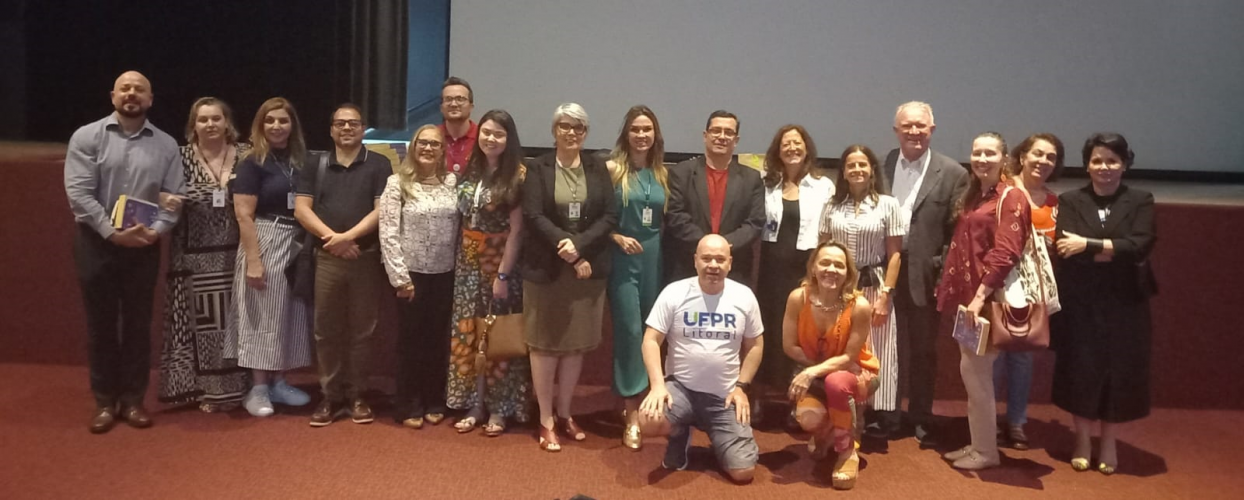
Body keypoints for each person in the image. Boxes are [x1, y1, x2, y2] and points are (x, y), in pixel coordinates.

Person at [65, 70, 185, 433]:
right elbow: (79, 193)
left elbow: (174, 198)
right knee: (101, 325)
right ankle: (104, 401)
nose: (131, 94)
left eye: (140, 89)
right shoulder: (87, 136)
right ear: (113, 96)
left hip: (144, 246)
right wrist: (112, 233)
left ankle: (133, 401)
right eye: (125, 88)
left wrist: (156, 232)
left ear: (150, 100)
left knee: (137, 325)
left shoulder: (166, 145)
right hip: (96, 243)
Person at [1052, 133, 1156, 475]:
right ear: (1087, 165)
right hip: (1081, 303)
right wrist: (1111, 249)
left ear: (1125, 163)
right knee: (1081, 369)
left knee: (1118, 371)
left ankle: (1109, 441)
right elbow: (1066, 249)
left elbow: (1140, 245)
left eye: (1112, 160)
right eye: (1097, 160)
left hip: (1126, 303)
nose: (1105, 167)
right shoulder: (1070, 200)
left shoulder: (1141, 199)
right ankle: (1082, 439)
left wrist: (1090, 245)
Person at [523, 103, 618, 451]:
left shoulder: (597, 167)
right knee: (545, 345)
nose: (571, 133)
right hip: (547, 269)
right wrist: (567, 249)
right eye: (565, 126)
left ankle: (565, 413)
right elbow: (533, 214)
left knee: (576, 345)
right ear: (554, 131)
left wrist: (578, 247)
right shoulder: (538, 168)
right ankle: (545, 418)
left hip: (586, 269)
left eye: (578, 127)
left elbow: (609, 215)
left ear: (586, 133)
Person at [936, 132, 1031, 470]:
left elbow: (1006, 253)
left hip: (986, 301)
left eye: (990, 153)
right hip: (966, 300)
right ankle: (979, 444)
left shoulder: (1012, 197)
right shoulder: (975, 194)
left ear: (1004, 158)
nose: (982, 158)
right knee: (971, 374)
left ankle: (987, 453)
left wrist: (978, 299)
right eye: (977, 152)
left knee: (978, 377)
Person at [294, 104, 392, 427]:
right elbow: (301, 209)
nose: (347, 128)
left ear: (363, 128)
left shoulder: (379, 164)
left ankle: (357, 395)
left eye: (353, 123)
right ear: (332, 129)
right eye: (340, 123)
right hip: (327, 257)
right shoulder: (314, 163)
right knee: (326, 330)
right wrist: (333, 239)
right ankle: (330, 396)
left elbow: (382, 211)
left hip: (364, 257)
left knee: (363, 330)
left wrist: (347, 238)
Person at [638, 234, 764, 485]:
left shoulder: (744, 296)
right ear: (695, 261)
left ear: (730, 262)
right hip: (681, 389)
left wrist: (742, 387)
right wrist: (658, 386)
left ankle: (721, 441)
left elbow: (755, 346)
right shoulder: (674, 292)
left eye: (720, 259)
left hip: (724, 396)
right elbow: (651, 340)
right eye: (706, 258)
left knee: (743, 472)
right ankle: (679, 433)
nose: (713, 265)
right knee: (648, 421)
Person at [880, 101, 969, 445]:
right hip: (882, 270)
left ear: (932, 129)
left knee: (922, 351)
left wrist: (941, 270)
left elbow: (955, 232)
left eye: (921, 126)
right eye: (907, 126)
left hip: (923, 276)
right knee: (884, 348)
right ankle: (885, 414)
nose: (914, 132)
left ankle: (919, 416)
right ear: (896, 131)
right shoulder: (881, 164)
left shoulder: (953, 173)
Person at [158, 97, 251, 412]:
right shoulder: (179, 157)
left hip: (239, 255)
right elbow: (153, 190)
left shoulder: (247, 154)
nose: (210, 125)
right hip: (192, 259)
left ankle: (244, 389)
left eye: (216, 118)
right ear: (192, 126)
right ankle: (204, 391)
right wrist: (165, 199)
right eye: (203, 120)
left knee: (238, 324)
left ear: (227, 123)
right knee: (201, 328)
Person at [445, 109, 533, 436]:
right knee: (471, 335)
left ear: (509, 139)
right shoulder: (472, 171)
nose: (490, 139)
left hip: (500, 262)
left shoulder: (519, 176)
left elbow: (517, 232)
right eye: (485, 132)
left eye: (498, 134)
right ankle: (475, 403)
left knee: (499, 337)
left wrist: (503, 275)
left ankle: (501, 408)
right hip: (467, 265)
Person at [226, 97, 315, 418]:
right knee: (262, 314)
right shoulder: (252, 162)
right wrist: (253, 260)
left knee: (289, 313)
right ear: (260, 126)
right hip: (264, 238)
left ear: (293, 126)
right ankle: (259, 387)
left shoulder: (300, 160)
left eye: (283, 121)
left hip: (295, 241)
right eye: (270, 121)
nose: (277, 126)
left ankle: (280, 382)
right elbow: (243, 215)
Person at [819, 145, 905, 438]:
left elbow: (894, 255)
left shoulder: (888, 205)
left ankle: (864, 420)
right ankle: (839, 417)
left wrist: (886, 295)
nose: (857, 170)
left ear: (872, 171)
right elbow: (822, 250)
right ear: (843, 171)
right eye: (851, 165)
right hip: (837, 289)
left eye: (862, 165)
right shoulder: (831, 206)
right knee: (840, 349)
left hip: (873, 287)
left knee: (873, 351)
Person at [379, 125, 459, 429]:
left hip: (446, 275)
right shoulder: (397, 184)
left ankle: (434, 399)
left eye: (435, 144)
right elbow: (388, 233)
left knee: (437, 341)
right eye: (423, 143)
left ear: (443, 150)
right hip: (411, 275)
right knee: (411, 342)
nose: (428, 148)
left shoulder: (452, 183)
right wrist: (400, 277)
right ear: (413, 147)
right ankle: (408, 403)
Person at [783, 240, 879, 490]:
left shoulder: (859, 306)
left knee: (836, 382)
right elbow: (790, 346)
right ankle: (828, 430)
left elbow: (849, 358)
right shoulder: (797, 298)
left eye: (839, 265)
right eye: (825, 262)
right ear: (813, 267)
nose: (831, 269)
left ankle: (847, 452)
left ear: (848, 273)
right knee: (808, 419)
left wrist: (813, 370)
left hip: (856, 373)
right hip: (815, 373)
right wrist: (815, 370)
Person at [754, 124, 834, 425]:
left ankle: (796, 403)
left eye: (797, 143)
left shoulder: (823, 185)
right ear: (778, 150)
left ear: (807, 148)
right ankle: (759, 398)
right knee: (769, 331)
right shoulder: (766, 183)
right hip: (771, 271)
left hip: (805, 271)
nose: (792, 149)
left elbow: (828, 231)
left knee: (802, 336)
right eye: (786, 144)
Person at [993, 133, 1064, 450]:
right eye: (1038, 154)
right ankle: (987, 419)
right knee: (992, 354)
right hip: (997, 283)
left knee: (1022, 356)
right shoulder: (1001, 190)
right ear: (1022, 156)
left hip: (1030, 290)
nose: (1043, 161)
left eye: (1050, 157)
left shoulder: (1054, 203)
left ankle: (1016, 422)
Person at [605, 105, 669, 449]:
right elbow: (599, 218)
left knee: (652, 332)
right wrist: (615, 237)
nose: (642, 135)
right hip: (622, 260)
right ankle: (631, 413)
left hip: (655, 260)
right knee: (630, 332)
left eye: (647, 129)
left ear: (655, 134)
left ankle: (651, 398)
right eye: (635, 129)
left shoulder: (663, 174)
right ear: (626, 134)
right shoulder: (613, 170)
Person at [664, 111, 765, 287]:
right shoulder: (681, 172)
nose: (722, 136)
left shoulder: (752, 178)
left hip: (735, 270)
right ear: (706, 135)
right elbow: (676, 216)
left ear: (736, 140)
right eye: (716, 131)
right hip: (688, 267)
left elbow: (754, 222)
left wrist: (721, 250)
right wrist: (707, 249)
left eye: (729, 132)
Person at [438, 77, 477, 175]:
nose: (454, 104)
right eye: (448, 99)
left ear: (471, 106)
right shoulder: (432, 136)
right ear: (441, 108)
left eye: (460, 99)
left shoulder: (483, 137)